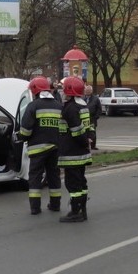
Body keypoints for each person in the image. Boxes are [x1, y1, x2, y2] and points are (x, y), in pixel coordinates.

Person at [17, 76, 63, 215]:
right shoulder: (58, 106)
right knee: (54, 177)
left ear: (35, 90)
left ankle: (35, 208)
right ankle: (55, 205)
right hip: (55, 148)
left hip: (37, 149)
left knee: (35, 178)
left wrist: (21, 137)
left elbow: (26, 129)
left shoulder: (33, 106)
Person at [58, 77, 94, 223]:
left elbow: (77, 131)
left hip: (72, 152)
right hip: (82, 153)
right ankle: (82, 209)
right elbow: (89, 126)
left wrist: (84, 141)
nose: (62, 91)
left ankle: (76, 211)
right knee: (81, 181)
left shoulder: (70, 108)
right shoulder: (83, 105)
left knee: (72, 183)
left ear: (69, 91)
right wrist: (89, 139)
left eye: (63, 88)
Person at [84, 85, 102, 150]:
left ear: (91, 91)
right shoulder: (82, 99)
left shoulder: (95, 99)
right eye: (86, 90)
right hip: (84, 119)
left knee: (92, 132)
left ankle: (93, 146)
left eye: (88, 90)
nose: (87, 92)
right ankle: (85, 145)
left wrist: (96, 117)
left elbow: (99, 109)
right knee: (84, 132)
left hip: (92, 119)